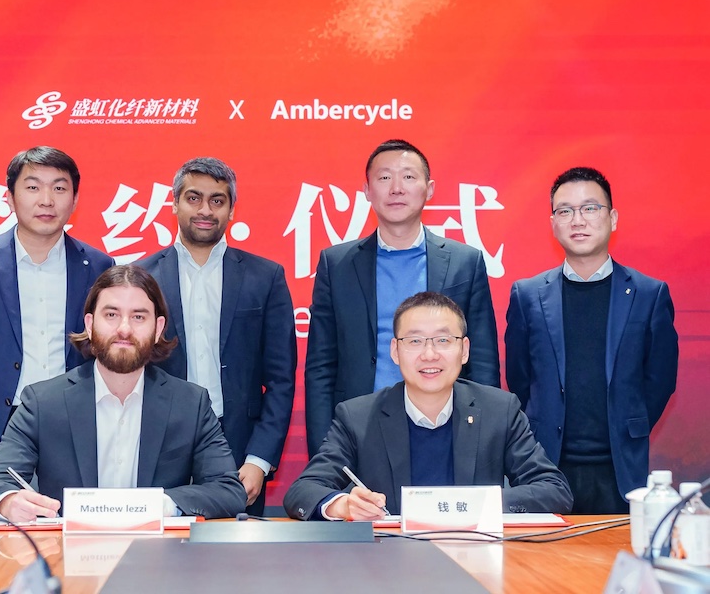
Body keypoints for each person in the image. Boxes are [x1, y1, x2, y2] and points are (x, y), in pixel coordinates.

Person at [0, 265, 247, 521]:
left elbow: (228, 491)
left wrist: (160, 505)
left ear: (158, 329)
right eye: (111, 315)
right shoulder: (43, 402)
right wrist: (9, 501)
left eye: (138, 317)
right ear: (90, 325)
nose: (124, 329)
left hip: (159, 560)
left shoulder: (191, 404)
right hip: (65, 559)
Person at [0, 146, 115, 508]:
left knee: (72, 544)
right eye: (32, 187)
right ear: (10, 197)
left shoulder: (98, 265)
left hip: (73, 429)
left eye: (59, 188)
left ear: (75, 199)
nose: (46, 200)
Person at [284, 292, 571, 520]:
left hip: (478, 561)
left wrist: (474, 505)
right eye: (415, 341)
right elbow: (303, 491)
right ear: (395, 351)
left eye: (444, 340)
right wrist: (343, 505)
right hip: (388, 564)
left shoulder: (499, 410)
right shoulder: (357, 417)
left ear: (465, 350)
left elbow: (554, 490)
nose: (430, 354)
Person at [304, 139, 500, 457]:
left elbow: (483, 362)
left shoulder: (465, 261)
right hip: (360, 430)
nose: (396, 188)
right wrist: (324, 450)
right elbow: (321, 367)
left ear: (429, 188)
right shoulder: (337, 264)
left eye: (408, 176)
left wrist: (485, 440)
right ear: (367, 190)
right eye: (384, 178)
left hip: (446, 428)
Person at [505, 167, 678, 513]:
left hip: (620, 469)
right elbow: (520, 380)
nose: (577, 220)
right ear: (553, 223)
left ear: (612, 218)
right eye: (564, 211)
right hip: (546, 465)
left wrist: (629, 423)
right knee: (543, 564)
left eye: (590, 208)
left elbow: (659, 381)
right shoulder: (527, 295)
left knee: (614, 562)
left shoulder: (649, 294)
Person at [137, 157, 297, 515]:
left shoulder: (265, 277)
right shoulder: (140, 278)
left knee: (238, 564)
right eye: (193, 198)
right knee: (158, 560)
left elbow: (281, 380)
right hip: (158, 442)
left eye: (217, 200)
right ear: (174, 203)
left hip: (237, 445)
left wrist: (259, 459)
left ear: (231, 210)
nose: (205, 210)